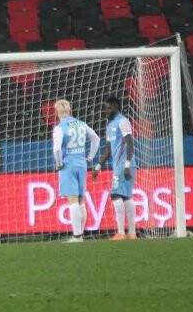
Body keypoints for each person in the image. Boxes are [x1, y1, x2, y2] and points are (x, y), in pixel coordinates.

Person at [52, 99, 100, 243]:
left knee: (72, 200)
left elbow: (57, 148)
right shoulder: (81, 123)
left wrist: (59, 164)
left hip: (68, 165)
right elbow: (96, 138)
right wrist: (90, 157)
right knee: (81, 201)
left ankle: (77, 236)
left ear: (56, 112)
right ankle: (81, 234)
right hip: (81, 163)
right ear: (70, 110)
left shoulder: (59, 127)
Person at [93, 96, 136, 240]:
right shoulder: (110, 124)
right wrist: (99, 165)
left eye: (108, 107)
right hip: (119, 165)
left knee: (116, 195)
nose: (106, 110)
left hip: (124, 165)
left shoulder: (123, 121)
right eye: (105, 107)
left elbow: (130, 142)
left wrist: (127, 165)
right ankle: (132, 233)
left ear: (116, 107)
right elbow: (108, 148)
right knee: (126, 196)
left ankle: (121, 233)